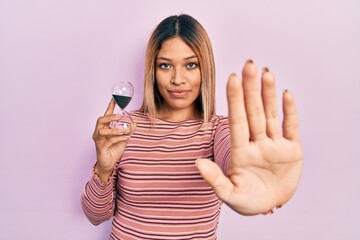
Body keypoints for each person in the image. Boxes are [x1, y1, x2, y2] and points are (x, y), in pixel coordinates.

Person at [81, 14, 303, 240]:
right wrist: (103, 169)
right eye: (165, 65)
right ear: (153, 72)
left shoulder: (218, 130)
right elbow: (95, 216)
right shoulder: (126, 127)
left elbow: (234, 157)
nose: (178, 79)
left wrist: (253, 176)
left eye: (191, 64)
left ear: (204, 69)